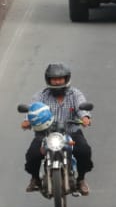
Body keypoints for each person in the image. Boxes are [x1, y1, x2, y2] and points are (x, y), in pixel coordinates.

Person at [23, 62, 93, 195]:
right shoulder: (41, 96)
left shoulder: (75, 94)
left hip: (71, 133)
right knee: (32, 155)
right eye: (54, 79)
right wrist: (27, 121)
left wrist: (85, 118)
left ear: (66, 79)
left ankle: (81, 179)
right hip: (45, 134)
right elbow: (33, 108)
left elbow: (81, 107)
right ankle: (35, 179)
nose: (57, 82)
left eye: (60, 79)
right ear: (48, 80)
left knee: (84, 151)